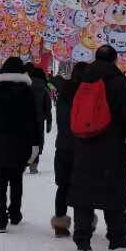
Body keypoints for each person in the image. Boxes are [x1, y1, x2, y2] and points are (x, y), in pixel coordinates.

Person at [69, 45, 126, 251]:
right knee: (113, 191)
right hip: (111, 143)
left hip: (84, 143)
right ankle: (116, 241)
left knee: (84, 192)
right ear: (114, 60)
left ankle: (82, 242)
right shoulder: (117, 81)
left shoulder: (84, 79)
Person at [0, 56, 40, 233]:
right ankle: (14, 213)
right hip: (21, 140)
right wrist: (36, 144)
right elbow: (33, 119)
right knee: (16, 179)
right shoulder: (27, 91)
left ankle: (1, 220)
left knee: (0, 182)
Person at [50, 60, 88, 238]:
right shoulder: (88, 95)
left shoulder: (63, 94)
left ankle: (60, 224)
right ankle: (84, 224)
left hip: (64, 145)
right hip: (84, 146)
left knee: (63, 187)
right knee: (84, 187)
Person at [26, 64, 52, 173]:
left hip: (24, 118)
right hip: (39, 119)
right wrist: (49, 122)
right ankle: (34, 165)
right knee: (37, 141)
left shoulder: (24, 84)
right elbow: (48, 106)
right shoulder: (44, 87)